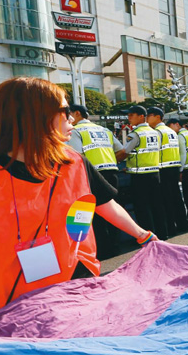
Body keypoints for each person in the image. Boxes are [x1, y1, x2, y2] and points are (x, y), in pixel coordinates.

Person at [0, 78, 155, 310]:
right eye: (64, 111)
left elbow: (104, 203)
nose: (71, 118)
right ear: (34, 115)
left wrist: (143, 235)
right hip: (8, 298)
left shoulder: (74, 162)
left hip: (75, 281)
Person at [66, 104, 126, 259]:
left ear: (78, 113)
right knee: (114, 209)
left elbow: (76, 156)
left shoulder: (76, 131)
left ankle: (103, 250)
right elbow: (121, 151)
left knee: (96, 214)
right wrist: (112, 161)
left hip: (91, 175)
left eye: (70, 114)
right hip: (112, 172)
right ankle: (115, 246)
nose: (70, 119)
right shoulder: (104, 130)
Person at [121, 105, 168, 240]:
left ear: (142, 116)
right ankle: (162, 233)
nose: (129, 118)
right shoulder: (156, 132)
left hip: (139, 176)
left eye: (131, 115)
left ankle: (147, 237)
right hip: (155, 172)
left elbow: (125, 152)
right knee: (157, 204)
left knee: (142, 207)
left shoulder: (135, 134)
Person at [146, 107, 187, 235]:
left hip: (163, 168)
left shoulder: (157, 132)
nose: (147, 119)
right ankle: (182, 224)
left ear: (157, 116)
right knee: (176, 198)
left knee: (166, 200)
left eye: (149, 116)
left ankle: (170, 227)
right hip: (174, 167)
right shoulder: (171, 131)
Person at [170, 119, 188, 230]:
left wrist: (180, 170)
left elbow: (182, 154)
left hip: (187, 168)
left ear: (176, 124)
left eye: (170, 126)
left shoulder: (181, 136)